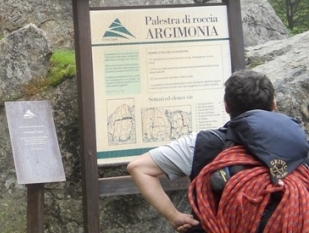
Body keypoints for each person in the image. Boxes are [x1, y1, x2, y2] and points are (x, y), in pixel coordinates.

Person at [127, 69, 309, 232]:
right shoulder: (299, 144)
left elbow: (138, 167)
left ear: (226, 106)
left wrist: (173, 216)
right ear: (274, 105)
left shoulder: (200, 143)